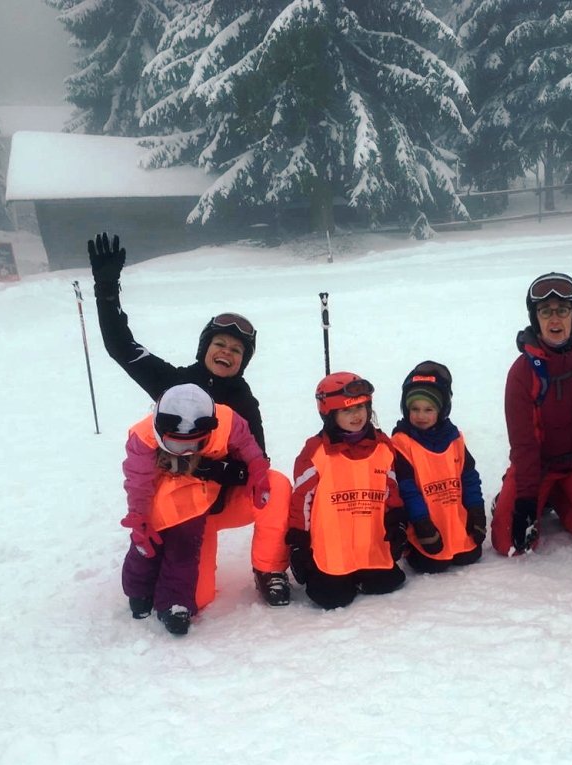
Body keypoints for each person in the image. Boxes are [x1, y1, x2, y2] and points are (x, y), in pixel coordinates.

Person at [88, 232, 292, 609]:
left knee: (276, 485)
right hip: (184, 512)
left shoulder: (245, 401)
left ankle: (269, 569)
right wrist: (106, 289)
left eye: (236, 350)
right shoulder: (174, 384)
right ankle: (159, 563)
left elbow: (256, 463)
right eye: (220, 345)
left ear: (243, 360)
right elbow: (121, 346)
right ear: (205, 348)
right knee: (197, 600)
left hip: (221, 500)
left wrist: (216, 472)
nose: (227, 353)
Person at [121, 384, 273, 635]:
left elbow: (247, 444)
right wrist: (138, 515)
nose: (188, 450)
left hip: (196, 488)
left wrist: (257, 467)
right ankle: (139, 591)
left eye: (196, 443)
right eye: (179, 445)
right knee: (147, 543)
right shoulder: (142, 437)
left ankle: (174, 603)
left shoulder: (226, 421)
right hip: (157, 489)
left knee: (183, 547)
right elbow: (138, 480)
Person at [492, 272, 572, 556]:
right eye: (545, 312)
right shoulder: (522, 373)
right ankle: (531, 496)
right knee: (509, 543)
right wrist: (524, 499)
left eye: (562, 311)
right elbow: (523, 445)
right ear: (535, 319)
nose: (554, 320)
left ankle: (560, 497)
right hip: (540, 468)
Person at [286, 372, 409, 609]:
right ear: (329, 415)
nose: (357, 415)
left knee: (389, 583)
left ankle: (363, 572)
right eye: (347, 410)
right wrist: (299, 542)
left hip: (371, 548)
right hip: (332, 554)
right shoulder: (316, 451)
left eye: (362, 407)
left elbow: (391, 490)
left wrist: (397, 522)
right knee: (332, 598)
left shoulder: (383, 447)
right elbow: (301, 500)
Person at [391, 361, 488, 573]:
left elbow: (469, 477)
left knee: (471, 555)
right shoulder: (402, 442)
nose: (421, 415)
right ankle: (412, 545)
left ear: (442, 410)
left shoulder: (454, 439)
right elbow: (407, 489)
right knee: (433, 563)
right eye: (414, 409)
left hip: (452, 518)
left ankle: (457, 535)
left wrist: (476, 510)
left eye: (429, 409)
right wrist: (421, 523)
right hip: (424, 521)